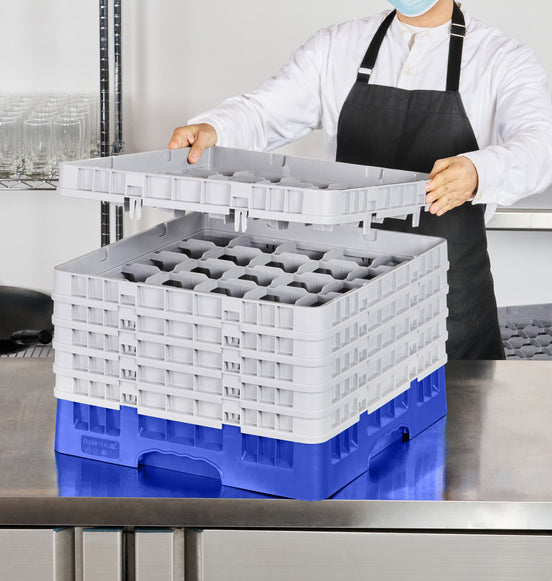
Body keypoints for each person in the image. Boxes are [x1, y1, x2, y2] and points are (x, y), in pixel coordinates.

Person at [168, 0, 552, 360]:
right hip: (349, 290)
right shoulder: (337, 46)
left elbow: (541, 146)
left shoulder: (501, 58)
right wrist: (215, 128)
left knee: (461, 409)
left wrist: (479, 171)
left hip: (451, 302)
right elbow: (263, 112)